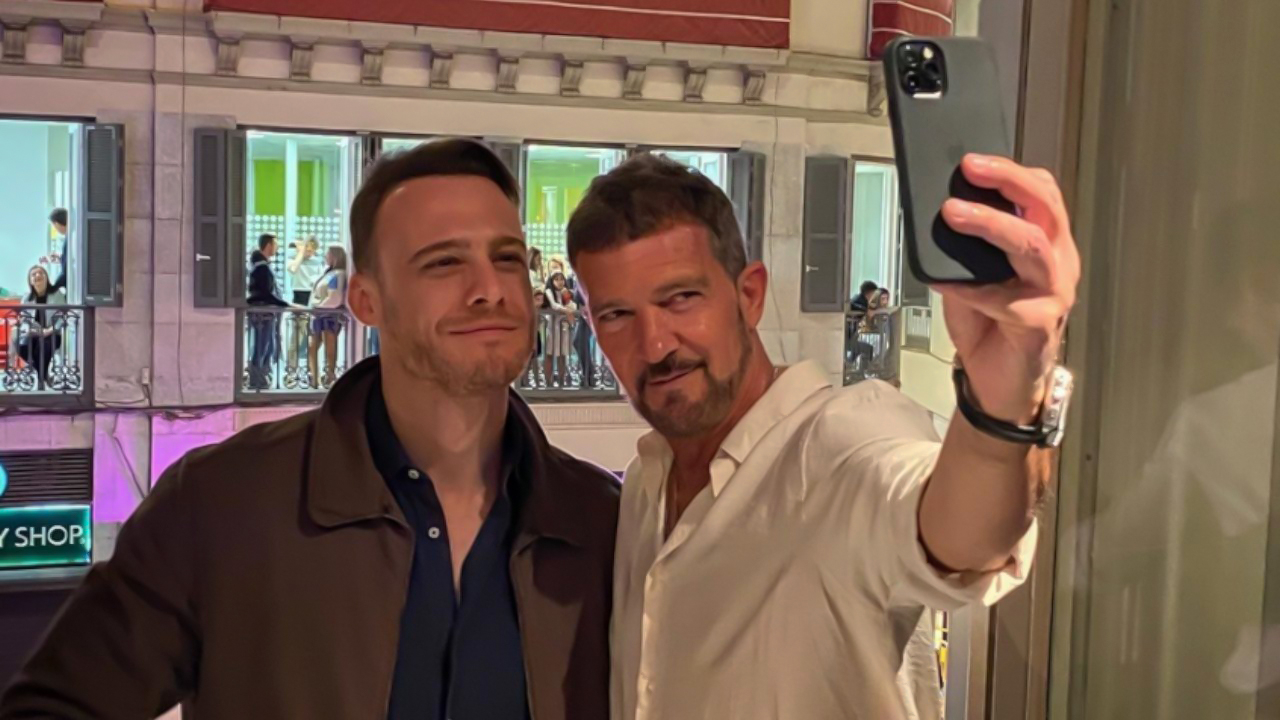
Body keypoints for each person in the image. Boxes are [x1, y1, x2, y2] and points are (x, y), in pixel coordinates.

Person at [0, 138, 620, 719]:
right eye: (444, 262)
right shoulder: (221, 504)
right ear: (366, 302)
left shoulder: (602, 521)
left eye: (507, 258)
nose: (490, 289)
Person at [565, 152, 1079, 720]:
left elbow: (962, 537)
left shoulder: (841, 438)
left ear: (750, 295)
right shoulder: (643, 483)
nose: (656, 344)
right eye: (616, 315)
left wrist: (1001, 408)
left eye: (680, 298)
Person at [246, 233, 289, 390]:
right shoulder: (262, 268)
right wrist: (282, 303)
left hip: (264, 314)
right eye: (275, 245)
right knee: (262, 346)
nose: (277, 248)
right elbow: (264, 293)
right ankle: (257, 379)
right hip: (263, 315)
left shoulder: (260, 266)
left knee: (266, 346)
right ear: (269, 245)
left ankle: (261, 377)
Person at [12, 266, 66, 388]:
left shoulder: (57, 294)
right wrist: (31, 330)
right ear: (30, 281)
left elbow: (62, 316)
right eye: (34, 274)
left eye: (41, 273)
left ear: (46, 277)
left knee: (43, 345)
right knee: (20, 344)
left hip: (52, 333)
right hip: (33, 332)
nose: (37, 276)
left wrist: (49, 330)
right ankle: (43, 375)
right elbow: (24, 318)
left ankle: (40, 380)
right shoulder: (27, 297)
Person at [306, 244, 349, 389]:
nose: (325, 256)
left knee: (329, 348)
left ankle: (329, 376)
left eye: (328, 253)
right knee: (312, 346)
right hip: (320, 315)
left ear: (335, 256)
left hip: (329, 315)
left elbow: (335, 297)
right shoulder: (329, 273)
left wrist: (318, 307)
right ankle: (315, 378)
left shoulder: (338, 274)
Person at [286, 236, 326, 372]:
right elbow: (292, 269)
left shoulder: (318, 261)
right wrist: (301, 253)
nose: (309, 252)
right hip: (300, 299)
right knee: (296, 337)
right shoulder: (294, 258)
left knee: (313, 338)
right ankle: (291, 368)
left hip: (313, 298)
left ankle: (310, 369)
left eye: (311, 249)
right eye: (307, 248)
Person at [543, 270, 576, 388]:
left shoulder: (565, 292)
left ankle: (561, 381)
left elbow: (573, 306)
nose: (560, 282)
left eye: (561, 279)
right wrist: (567, 311)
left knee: (562, 355)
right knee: (550, 354)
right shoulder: (548, 291)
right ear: (552, 281)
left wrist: (566, 296)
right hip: (552, 327)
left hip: (564, 327)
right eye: (556, 279)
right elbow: (554, 305)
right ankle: (548, 381)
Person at [47, 208, 69, 298]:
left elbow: (66, 270)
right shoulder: (73, 236)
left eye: (54, 226)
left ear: (56, 223)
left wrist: (53, 287)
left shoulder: (69, 239)